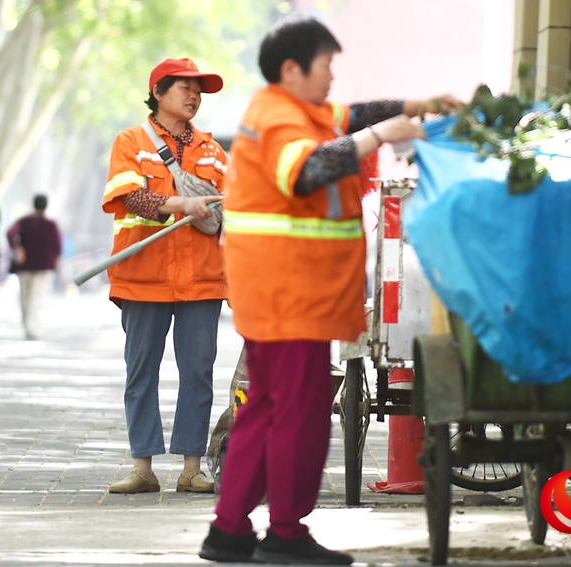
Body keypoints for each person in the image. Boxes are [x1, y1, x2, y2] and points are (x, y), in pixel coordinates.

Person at [200, 13, 463, 565]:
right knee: (299, 413)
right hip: (288, 295)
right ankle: (287, 534)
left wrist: (414, 103)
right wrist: (379, 138)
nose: (331, 78)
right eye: (325, 66)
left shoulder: (300, 109)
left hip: (283, 295)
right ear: (292, 69)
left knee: (267, 410)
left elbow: (352, 114)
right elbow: (305, 172)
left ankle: (229, 530)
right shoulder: (277, 118)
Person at [102, 57, 227, 495]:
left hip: (202, 280)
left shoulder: (214, 153)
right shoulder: (131, 141)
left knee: (198, 372)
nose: (194, 96)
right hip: (143, 277)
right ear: (158, 91)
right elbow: (131, 197)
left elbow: (229, 213)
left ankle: (192, 468)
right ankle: (143, 467)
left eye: (199, 90)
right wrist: (181, 205)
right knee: (141, 373)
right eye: (184, 88)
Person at [7, 194, 62, 340]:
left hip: (25, 266)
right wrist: (55, 262)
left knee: (25, 297)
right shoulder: (51, 225)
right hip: (44, 267)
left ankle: (27, 326)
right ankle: (32, 328)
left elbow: (10, 232)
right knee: (37, 297)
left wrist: (18, 249)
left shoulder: (24, 222)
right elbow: (58, 247)